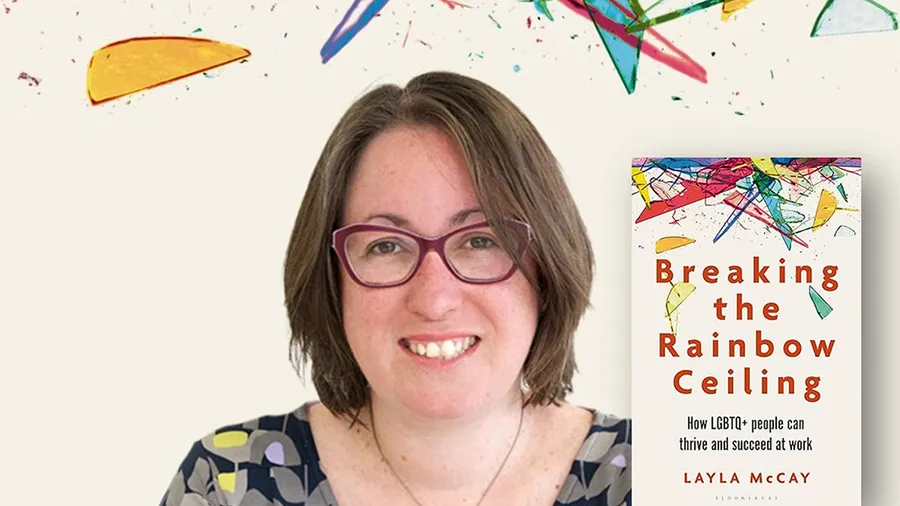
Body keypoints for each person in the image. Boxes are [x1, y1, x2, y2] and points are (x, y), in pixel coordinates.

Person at [159, 71, 631, 506]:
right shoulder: (227, 483)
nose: (434, 298)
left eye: (480, 241)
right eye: (386, 246)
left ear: (547, 269)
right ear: (331, 278)